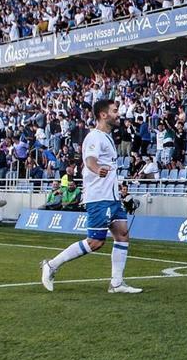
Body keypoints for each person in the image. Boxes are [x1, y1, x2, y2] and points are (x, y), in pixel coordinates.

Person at [40, 99, 142, 294]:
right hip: (98, 198)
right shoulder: (94, 137)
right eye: (114, 111)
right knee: (95, 242)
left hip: (111, 197)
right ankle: (51, 265)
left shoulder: (107, 137)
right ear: (103, 115)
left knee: (122, 235)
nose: (118, 114)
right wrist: (98, 170)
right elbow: (89, 161)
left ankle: (116, 283)